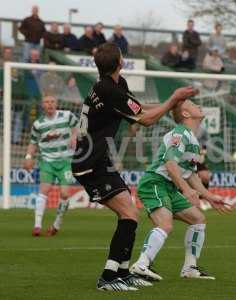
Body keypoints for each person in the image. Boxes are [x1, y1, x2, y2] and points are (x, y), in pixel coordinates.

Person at [71, 42, 198, 291]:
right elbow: (147, 120)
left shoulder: (116, 86)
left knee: (130, 215)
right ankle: (108, 278)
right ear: (120, 62)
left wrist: (169, 104)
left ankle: (122, 272)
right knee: (129, 214)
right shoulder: (109, 90)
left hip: (99, 160)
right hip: (90, 163)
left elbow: (138, 110)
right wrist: (173, 98)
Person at [130, 99, 230, 281]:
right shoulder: (180, 134)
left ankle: (190, 268)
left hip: (169, 186)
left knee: (198, 218)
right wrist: (186, 190)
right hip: (155, 182)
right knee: (165, 224)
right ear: (186, 114)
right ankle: (141, 265)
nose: (198, 105)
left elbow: (191, 175)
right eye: (193, 104)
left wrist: (209, 196)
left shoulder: (192, 138)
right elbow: (169, 163)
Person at [23, 95, 78, 236]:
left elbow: (78, 127)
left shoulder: (67, 116)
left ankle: (56, 224)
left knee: (65, 194)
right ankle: (37, 226)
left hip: (66, 161)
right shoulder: (38, 124)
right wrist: (29, 157)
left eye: (52, 101)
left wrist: (74, 135)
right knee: (44, 190)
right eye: (47, 102)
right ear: (43, 105)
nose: (50, 104)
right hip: (47, 161)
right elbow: (33, 143)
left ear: (56, 103)